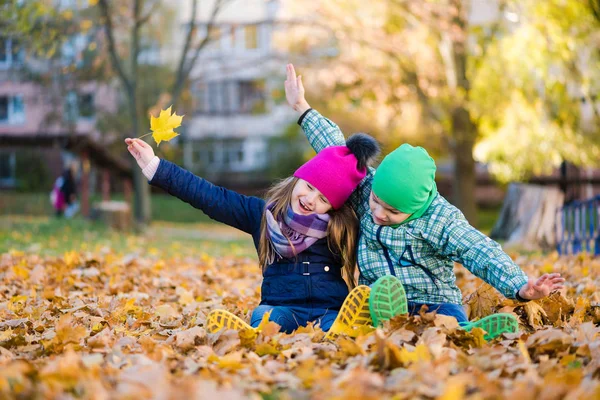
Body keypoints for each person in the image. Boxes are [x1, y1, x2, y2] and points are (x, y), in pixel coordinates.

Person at [284, 64, 565, 340]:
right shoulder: (365, 187)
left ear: (416, 207)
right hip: (381, 296)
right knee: (371, 307)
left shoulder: (440, 219)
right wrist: (303, 109)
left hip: (433, 299)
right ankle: (386, 322)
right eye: (376, 202)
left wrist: (519, 286)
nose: (379, 214)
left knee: (446, 319)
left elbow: (479, 250)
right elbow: (335, 149)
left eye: (393, 211)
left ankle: (463, 331)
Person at [124, 130, 380, 336]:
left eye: (323, 198)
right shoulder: (261, 216)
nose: (311, 200)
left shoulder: (340, 226)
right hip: (283, 308)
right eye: (309, 187)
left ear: (334, 206)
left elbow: (383, 222)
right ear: (298, 178)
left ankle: (343, 328)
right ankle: (253, 335)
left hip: (328, 309)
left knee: (334, 325)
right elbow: (210, 197)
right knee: (264, 317)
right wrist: (157, 168)